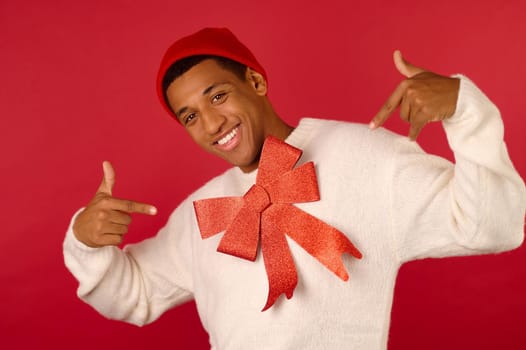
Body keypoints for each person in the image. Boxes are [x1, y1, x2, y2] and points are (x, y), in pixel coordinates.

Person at [63, 27, 525, 349]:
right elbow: (134, 293)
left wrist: (466, 112)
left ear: (257, 81)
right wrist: (86, 241)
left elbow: (494, 227)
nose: (210, 124)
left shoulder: (367, 158)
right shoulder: (199, 213)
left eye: (217, 95)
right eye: (189, 116)